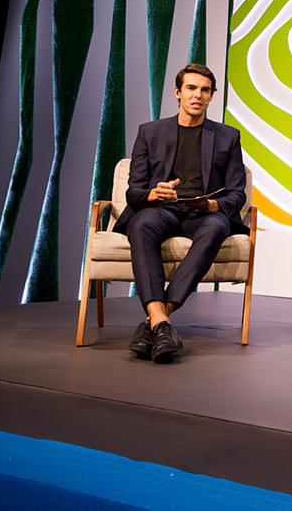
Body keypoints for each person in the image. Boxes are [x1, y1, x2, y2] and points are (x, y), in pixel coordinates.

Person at [113, 64, 248, 363]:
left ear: (211, 96)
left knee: (217, 226)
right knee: (141, 224)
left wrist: (213, 205)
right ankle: (162, 323)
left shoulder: (227, 137)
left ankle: (157, 319)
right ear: (178, 92)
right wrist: (152, 193)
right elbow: (134, 191)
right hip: (161, 209)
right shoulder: (150, 132)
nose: (198, 95)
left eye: (205, 90)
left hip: (202, 213)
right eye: (191, 88)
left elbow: (237, 193)